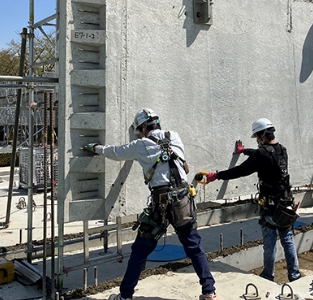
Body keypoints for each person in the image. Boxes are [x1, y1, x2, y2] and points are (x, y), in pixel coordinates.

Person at [83, 108, 217, 300]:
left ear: (144, 127)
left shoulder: (141, 145)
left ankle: (125, 295)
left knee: (141, 249)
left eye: (139, 130)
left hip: (160, 204)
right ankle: (209, 291)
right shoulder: (175, 136)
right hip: (183, 200)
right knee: (193, 246)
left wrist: (96, 147)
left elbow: (115, 152)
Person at [204, 118, 301, 283]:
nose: (256, 140)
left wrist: (217, 175)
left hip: (270, 207)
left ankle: (268, 276)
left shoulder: (261, 154)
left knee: (269, 243)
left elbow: (242, 170)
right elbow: (262, 155)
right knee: (288, 239)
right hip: (286, 205)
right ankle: (295, 275)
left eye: (257, 137)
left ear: (262, 135)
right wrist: (244, 151)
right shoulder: (282, 150)